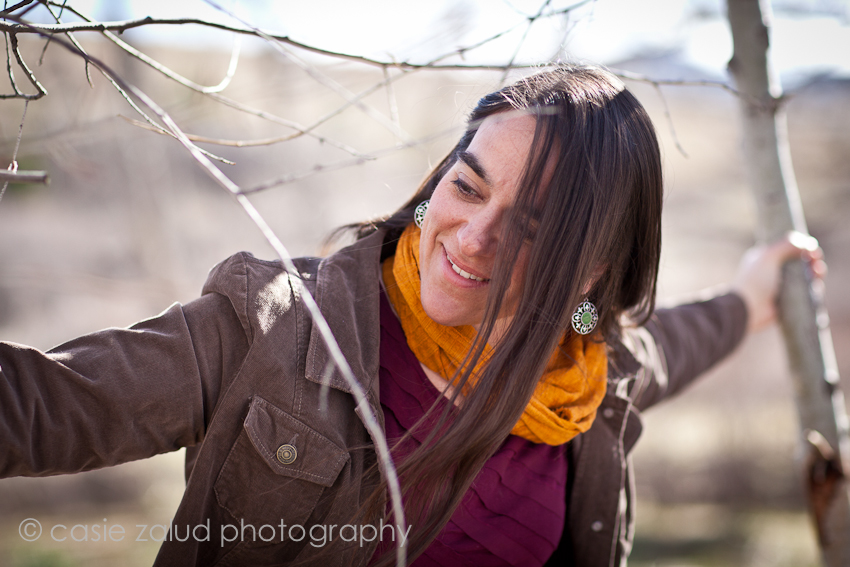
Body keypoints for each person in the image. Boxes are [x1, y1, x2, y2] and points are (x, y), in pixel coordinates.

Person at [0, 65, 824, 567]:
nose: (472, 236)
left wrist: (755, 296)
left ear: (594, 269)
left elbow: (676, 341)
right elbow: (41, 406)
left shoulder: (591, 376)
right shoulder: (276, 325)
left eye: (530, 228)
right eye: (466, 186)